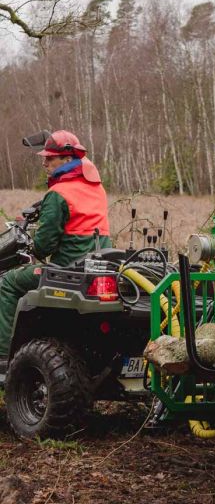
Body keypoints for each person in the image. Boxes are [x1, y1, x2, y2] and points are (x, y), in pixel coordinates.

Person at [0, 130, 111, 360]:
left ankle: (4, 358)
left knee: (9, 283)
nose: (44, 162)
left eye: (50, 158)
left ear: (67, 160)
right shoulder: (97, 189)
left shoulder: (58, 193)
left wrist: (33, 241)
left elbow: (43, 247)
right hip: (99, 267)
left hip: (66, 269)